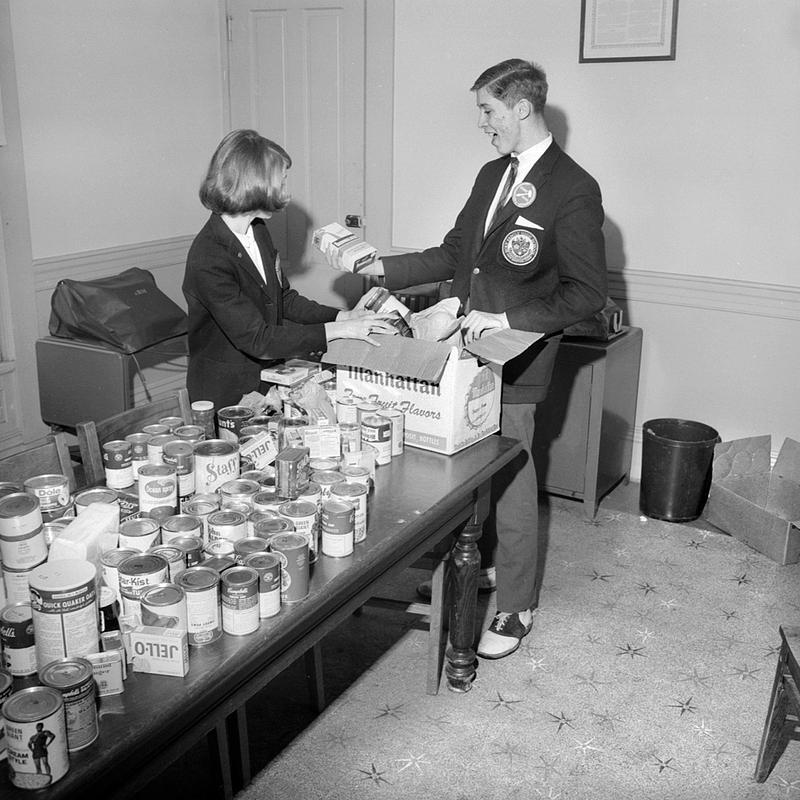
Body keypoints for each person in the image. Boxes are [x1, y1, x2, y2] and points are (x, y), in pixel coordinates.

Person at [359, 59, 608, 659]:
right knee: (456, 475)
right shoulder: (492, 172)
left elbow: (586, 292)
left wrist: (509, 320)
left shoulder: (573, 188)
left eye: (489, 111)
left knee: (515, 482)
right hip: (462, 358)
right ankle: (471, 569)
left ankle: (518, 606)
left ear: (522, 108)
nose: (482, 123)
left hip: (518, 362)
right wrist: (382, 267)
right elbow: (454, 255)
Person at [183, 129, 394, 410]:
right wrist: (338, 330)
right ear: (254, 182)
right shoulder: (209, 256)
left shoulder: (257, 231)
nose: (286, 192)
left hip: (264, 380)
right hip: (225, 393)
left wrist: (343, 316)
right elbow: (257, 338)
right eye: (281, 182)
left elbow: (284, 299)